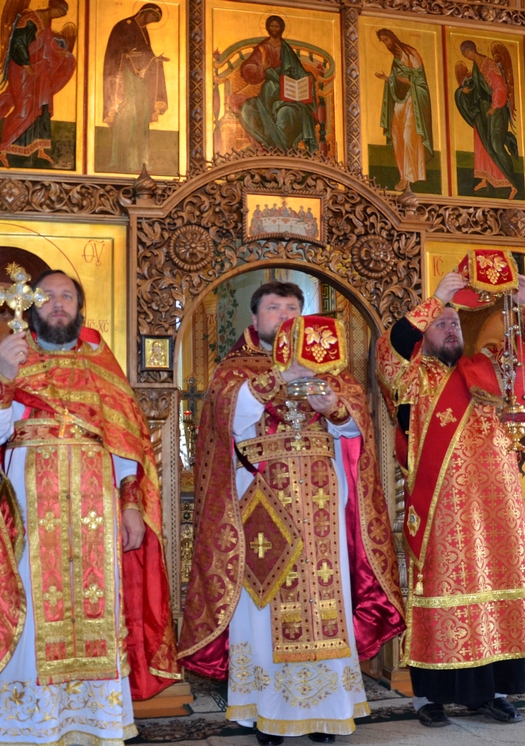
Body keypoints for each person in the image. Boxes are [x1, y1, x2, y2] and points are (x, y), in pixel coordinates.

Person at [0, 270, 180, 744]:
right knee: (33, 613)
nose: (58, 303)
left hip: (97, 511)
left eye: (67, 296)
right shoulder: (14, 359)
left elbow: (126, 446)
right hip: (32, 515)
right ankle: (29, 730)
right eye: (48, 296)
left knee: (100, 607)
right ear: (31, 307)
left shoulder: (101, 366)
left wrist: (131, 505)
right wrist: (5, 378)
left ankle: (98, 727)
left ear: (79, 308)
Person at [179, 282, 404, 744]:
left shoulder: (331, 370)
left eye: (292, 308)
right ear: (255, 318)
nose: (283, 315)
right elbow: (226, 420)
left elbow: (356, 431)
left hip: (322, 509)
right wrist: (278, 378)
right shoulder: (235, 370)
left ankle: (326, 712)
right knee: (262, 609)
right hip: (261, 505)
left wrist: (335, 409)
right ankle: (265, 711)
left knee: (327, 603)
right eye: (273, 307)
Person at [375, 261, 525, 728]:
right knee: (440, 594)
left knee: (497, 594)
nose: (450, 328)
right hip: (443, 514)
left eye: (454, 322)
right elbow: (389, 351)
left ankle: (492, 694)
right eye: (440, 323)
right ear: (424, 332)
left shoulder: (487, 370)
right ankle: (428, 698)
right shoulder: (412, 379)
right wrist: (437, 297)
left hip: (498, 514)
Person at [0, 0, 77, 167]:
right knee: (24, 109)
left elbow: (49, 46)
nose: (60, 16)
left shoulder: (47, 24)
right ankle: (3, 150)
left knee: (43, 109)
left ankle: (40, 149)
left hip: (41, 73)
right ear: (53, 8)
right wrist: (27, 65)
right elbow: (18, 43)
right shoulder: (30, 19)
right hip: (23, 70)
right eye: (60, 12)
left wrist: (61, 54)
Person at [231, 16, 319, 153]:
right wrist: (262, 68)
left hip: (288, 93)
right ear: (267, 28)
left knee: (286, 114)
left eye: (276, 26)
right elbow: (248, 68)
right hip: (269, 92)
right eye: (271, 26)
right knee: (247, 110)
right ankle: (273, 147)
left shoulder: (286, 49)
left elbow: (299, 71)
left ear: (281, 28)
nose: (274, 29)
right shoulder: (263, 48)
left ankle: (280, 150)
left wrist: (308, 78)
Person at [103, 3, 169, 173]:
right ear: (145, 12)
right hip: (125, 77)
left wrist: (156, 60)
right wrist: (125, 55)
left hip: (140, 79)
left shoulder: (143, 31)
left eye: (156, 20)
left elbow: (146, 54)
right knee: (128, 113)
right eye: (153, 17)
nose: (153, 21)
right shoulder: (123, 26)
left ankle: (142, 162)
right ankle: (123, 160)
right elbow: (112, 53)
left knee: (143, 113)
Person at [454, 40, 519, 199]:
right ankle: (485, 178)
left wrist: (494, 106)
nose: (467, 56)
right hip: (483, 110)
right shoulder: (476, 66)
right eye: (464, 55)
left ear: (473, 50)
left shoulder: (489, 64)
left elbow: (499, 87)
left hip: (496, 109)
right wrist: (467, 92)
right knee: (482, 143)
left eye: (467, 52)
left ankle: (512, 183)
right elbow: (479, 89)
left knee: (496, 144)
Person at [375, 29, 433, 191]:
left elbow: (421, 80)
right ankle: (403, 177)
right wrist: (388, 80)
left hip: (413, 100)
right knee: (396, 136)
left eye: (386, 40)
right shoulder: (396, 59)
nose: (386, 44)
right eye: (383, 41)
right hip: (399, 101)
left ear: (393, 38)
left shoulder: (411, 53)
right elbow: (396, 80)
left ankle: (410, 176)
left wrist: (408, 81)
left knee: (408, 136)